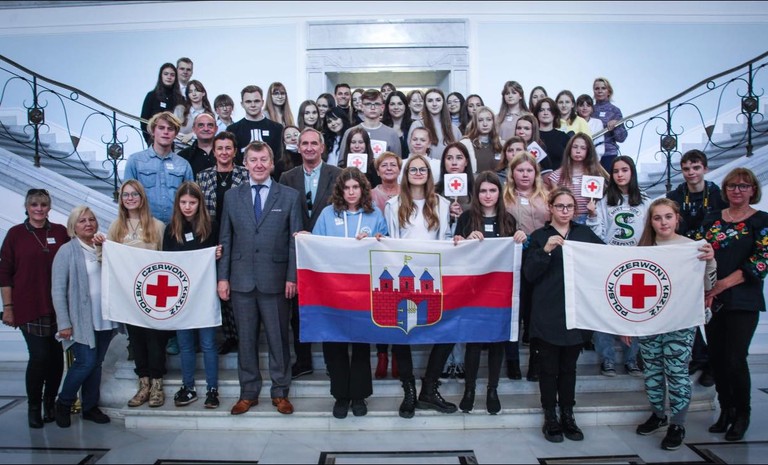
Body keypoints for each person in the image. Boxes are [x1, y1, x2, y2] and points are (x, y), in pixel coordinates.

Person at [218, 141, 303, 416]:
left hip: (276, 280)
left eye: (263, 159)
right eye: (253, 160)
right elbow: (225, 239)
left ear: (272, 163)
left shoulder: (289, 196)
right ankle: (248, 393)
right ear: (245, 164)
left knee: (278, 339)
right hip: (241, 280)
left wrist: (292, 277)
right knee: (246, 340)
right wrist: (223, 278)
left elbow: (295, 241)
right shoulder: (232, 197)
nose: (258, 165)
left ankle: (280, 392)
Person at [634, 198, 717, 451]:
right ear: (651, 221)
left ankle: (678, 424)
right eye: (657, 217)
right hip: (649, 321)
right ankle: (658, 414)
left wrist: (710, 261)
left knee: (677, 371)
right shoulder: (642, 249)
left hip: (680, 321)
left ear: (677, 218)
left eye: (668, 216)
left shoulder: (692, 247)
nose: (663, 222)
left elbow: (708, 286)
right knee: (652, 371)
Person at [524, 187, 603, 443]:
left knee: (569, 368)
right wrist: (545, 251)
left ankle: (568, 414)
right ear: (550, 208)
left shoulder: (584, 234)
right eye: (560, 206)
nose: (565, 211)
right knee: (548, 368)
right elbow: (529, 274)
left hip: (577, 312)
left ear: (575, 209)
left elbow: (605, 259)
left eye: (569, 206)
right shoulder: (539, 237)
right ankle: (550, 416)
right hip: (547, 313)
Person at [312, 167, 388, 418]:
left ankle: (359, 395)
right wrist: (304, 239)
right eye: (347, 188)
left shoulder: (374, 214)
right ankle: (340, 395)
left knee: (361, 344)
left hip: (363, 290)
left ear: (363, 189)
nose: (351, 192)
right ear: (340, 191)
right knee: (334, 343)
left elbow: (386, 245)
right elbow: (315, 245)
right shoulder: (327, 214)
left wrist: (379, 239)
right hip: (332, 289)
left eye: (356, 187)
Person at [383, 155, 455, 419]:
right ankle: (409, 389)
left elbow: (446, 237)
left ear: (429, 173)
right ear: (405, 174)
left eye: (422, 169)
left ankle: (430, 387)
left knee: (448, 330)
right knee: (401, 332)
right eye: (412, 169)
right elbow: (390, 239)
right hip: (403, 276)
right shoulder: (393, 205)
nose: (417, 172)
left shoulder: (442, 204)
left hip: (432, 275)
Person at [702, 167, 768, 442]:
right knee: (717, 358)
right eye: (731, 186)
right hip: (713, 301)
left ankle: (742, 414)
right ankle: (725, 410)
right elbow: (698, 253)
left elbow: (760, 262)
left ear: (753, 190)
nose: (737, 190)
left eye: (743, 186)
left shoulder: (762, 221)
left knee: (735, 358)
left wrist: (721, 285)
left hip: (743, 301)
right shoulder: (713, 219)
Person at [454, 171, 526, 414]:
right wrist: (465, 239)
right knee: (474, 342)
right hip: (473, 292)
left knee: (497, 342)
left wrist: (520, 238)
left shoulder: (508, 220)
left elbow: (516, 255)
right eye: (483, 191)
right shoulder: (466, 218)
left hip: (499, 292)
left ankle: (492, 389)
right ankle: (470, 390)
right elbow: (457, 253)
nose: (487, 195)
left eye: (492, 190)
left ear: (499, 193)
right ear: (476, 194)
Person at [0, 189, 69, 428]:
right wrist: (8, 307)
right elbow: (5, 273)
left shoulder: (60, 232)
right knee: (39, 357)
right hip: (28, 305)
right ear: (27, 207)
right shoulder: (15, 234)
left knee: (56, 359)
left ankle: (50, 403)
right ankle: (33, 407)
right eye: (34, 205)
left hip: (58, 306)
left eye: (43, 204)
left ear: (49, 207)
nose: (39, 209)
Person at [279, 128, 342, 379]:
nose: (308, 148)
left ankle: (332, 361)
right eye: (304, 143)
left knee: (329, 308)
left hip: (328, 254)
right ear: (298, 148)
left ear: (322, 147)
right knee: (298, 311)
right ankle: (303, 360)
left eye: (314, 143)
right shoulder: (287, 177)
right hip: (297, 252)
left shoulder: (337, 175)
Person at [51, 206, 117, 427]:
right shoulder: (66, 251)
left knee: (96, 364)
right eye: (82, 221)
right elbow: (58, 290)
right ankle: (64, 403)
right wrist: (64, 323)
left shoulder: (104, 246)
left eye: (91, 219)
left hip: (104, 317)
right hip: (81, 319)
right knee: (85, 363)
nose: (88, 224)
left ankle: (90, 407)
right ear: (73, 226)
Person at [586, 156, 651, 377]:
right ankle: (607, 359)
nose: (620, 175)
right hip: (610, 261)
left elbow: (649, 231)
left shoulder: (645, 200)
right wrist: (593, 216)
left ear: (632, 172)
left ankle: (632, 359)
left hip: (636, 263)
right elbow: (599, 234)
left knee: (635, 310)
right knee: (604, 311)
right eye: (615, 171)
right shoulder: (604, 201)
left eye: (624, 170)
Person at [667, 149, 728, 387]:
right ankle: (700, 355)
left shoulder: (718, 195)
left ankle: (714, 363)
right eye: (686, 169)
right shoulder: (674, 195)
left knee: (710, 312)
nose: (691, 173)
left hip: (709, 258)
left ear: (705, 168)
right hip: (682, 260)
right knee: (684, 311)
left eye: (696, 168)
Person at [107, 180, 167, 408]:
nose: (130, 198)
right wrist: (101, 247)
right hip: (129, 297)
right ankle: (143, 384)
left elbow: (167, 260)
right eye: (126, 195)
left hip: (154, 297)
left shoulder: (157, 226)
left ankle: (157, 385)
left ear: (142, 197)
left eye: (134, 194)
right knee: (137, 341)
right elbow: (108, 259)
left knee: (155, 341)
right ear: (121, 199)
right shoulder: (116, 227)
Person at [163, 182, 222, 410]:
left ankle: (212, 389)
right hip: (182, 296)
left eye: (192, 202)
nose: (187, 207)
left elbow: (218, 257)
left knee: (208, 344)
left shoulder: (211, 226)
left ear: (200, 203)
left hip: (205, 294)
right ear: (178, 204)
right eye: (183, 202)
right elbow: (167, 264)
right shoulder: (171, 230)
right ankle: (188, 387)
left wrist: (217, 254)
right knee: (185, 344)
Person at [196, 131, 248, 355]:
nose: (224, 152)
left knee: (237, 290)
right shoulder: (202, 177)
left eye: (228, 148)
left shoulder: (246, 175)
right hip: (212, 239)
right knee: (220, 288)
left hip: (240, 239)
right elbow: (198, 211)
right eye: (220, 148)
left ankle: (244, 336)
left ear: (235, 151)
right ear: (214, 152)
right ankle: (229, 336)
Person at [502, 152, 551, 381]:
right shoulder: (504, 196)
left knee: (537, 311)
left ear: (536, 173)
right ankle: (512, 360)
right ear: (512, 173)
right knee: (514, 310)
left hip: (539, 257)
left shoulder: (546, 196)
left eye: (529, 170)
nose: (525, 174)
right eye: (520, 170)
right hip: (512, 257)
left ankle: (536, 362)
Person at [124, 111, 194, 224]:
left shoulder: (183, 165)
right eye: (161, 128)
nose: (166, 132)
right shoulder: (135, 161)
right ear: (153, 131)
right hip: (144, 226)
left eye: (170, 129)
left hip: (175, 226)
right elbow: (127, 198)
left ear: (175, 134)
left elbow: (190, 198)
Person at [545, 133, 608, 224]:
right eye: (575, 147)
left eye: (583, 148)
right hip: (567, 219)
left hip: (589, 218)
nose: (578, 151)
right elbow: (555, 200)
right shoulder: (557, 175)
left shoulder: (595, 175)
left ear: (588, 151)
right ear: (569, 149)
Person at [227, 85, 284, 165]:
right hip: (242, 172)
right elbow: (232, 158)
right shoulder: (232, 130)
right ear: (242, 104)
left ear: (262, 102)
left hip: (272, 172)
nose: (253, 105)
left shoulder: (277, 128)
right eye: (248, 101)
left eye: (256, 101)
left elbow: (280, 158)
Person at [340, 89, 403, 159]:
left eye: (377, 104)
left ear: (382, 108)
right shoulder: (350, 132)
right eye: (368, 104)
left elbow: (397, 163)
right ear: (362, 107)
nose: (373, 108)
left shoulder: (392, 134)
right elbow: (342, 162)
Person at [408, 88, 462, 162]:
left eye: (438, 100)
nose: (434, 104)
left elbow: (460, 156)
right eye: (430, 100)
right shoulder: (417, 125)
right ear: (425, 104)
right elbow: (413, 153)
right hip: (424, 168)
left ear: (443, 103)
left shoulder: (454, 129)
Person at [140, 63, 184, 144]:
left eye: (172, 75)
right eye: (166, 74)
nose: (169, 77)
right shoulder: (151, 96)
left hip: (176, 143)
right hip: (154, 142)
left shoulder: (181, 99)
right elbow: (143, 121)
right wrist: (150, 140)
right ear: (161, 76)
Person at [592, 77, 628, 170]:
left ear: (609, 91)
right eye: (597, 88)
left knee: (608, 179)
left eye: (603, 88)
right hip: (590, 155)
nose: (600, 91)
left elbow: (621, 138)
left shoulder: (615, 111)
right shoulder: (588, 109)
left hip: (609, 154)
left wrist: (616, 125)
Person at [460, 105, 503, 173]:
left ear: (493, 122)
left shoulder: (500, 143)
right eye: (480, 120)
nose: (485, 124)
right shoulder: (465, 144)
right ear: (475, 123)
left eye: (489, 120)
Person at [534, 97, 572, 172]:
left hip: (560, 177)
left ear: (554, 113)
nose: (545, 113)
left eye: (549, 110)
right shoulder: (532, 136)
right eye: (542, 110)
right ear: (537, 114)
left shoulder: (564, 137)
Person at [175, 80, 214, 146]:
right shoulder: (180, 110)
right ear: (188, 95)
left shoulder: (209, 114)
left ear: (203, 93)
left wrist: (192, 135)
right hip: (179, 148)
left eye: (196, 90)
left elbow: (210, 135)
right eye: (190, 92)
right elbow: (174, 132)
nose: (194, 94)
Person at [178, 112, 217, 178]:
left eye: (210, 125)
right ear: (194, 129)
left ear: (216, 129)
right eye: (201, 125)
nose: (206, 129)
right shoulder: (183, 156)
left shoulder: (227, 153)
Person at [381, 90, 413, 157]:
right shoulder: (381, 126)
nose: (396, 107)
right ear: (387, 107)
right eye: (392, 104)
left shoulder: (413, 126)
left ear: (405, 106)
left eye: (400, 104)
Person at [575, 94, 605, 158]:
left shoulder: (597, 123)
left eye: (588, 106)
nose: (585, 108)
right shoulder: (572, 122)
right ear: (576, 108)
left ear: (592, 108)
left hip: (593, 158)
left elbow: (600, 144)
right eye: (581, 105)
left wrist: (594, 159)